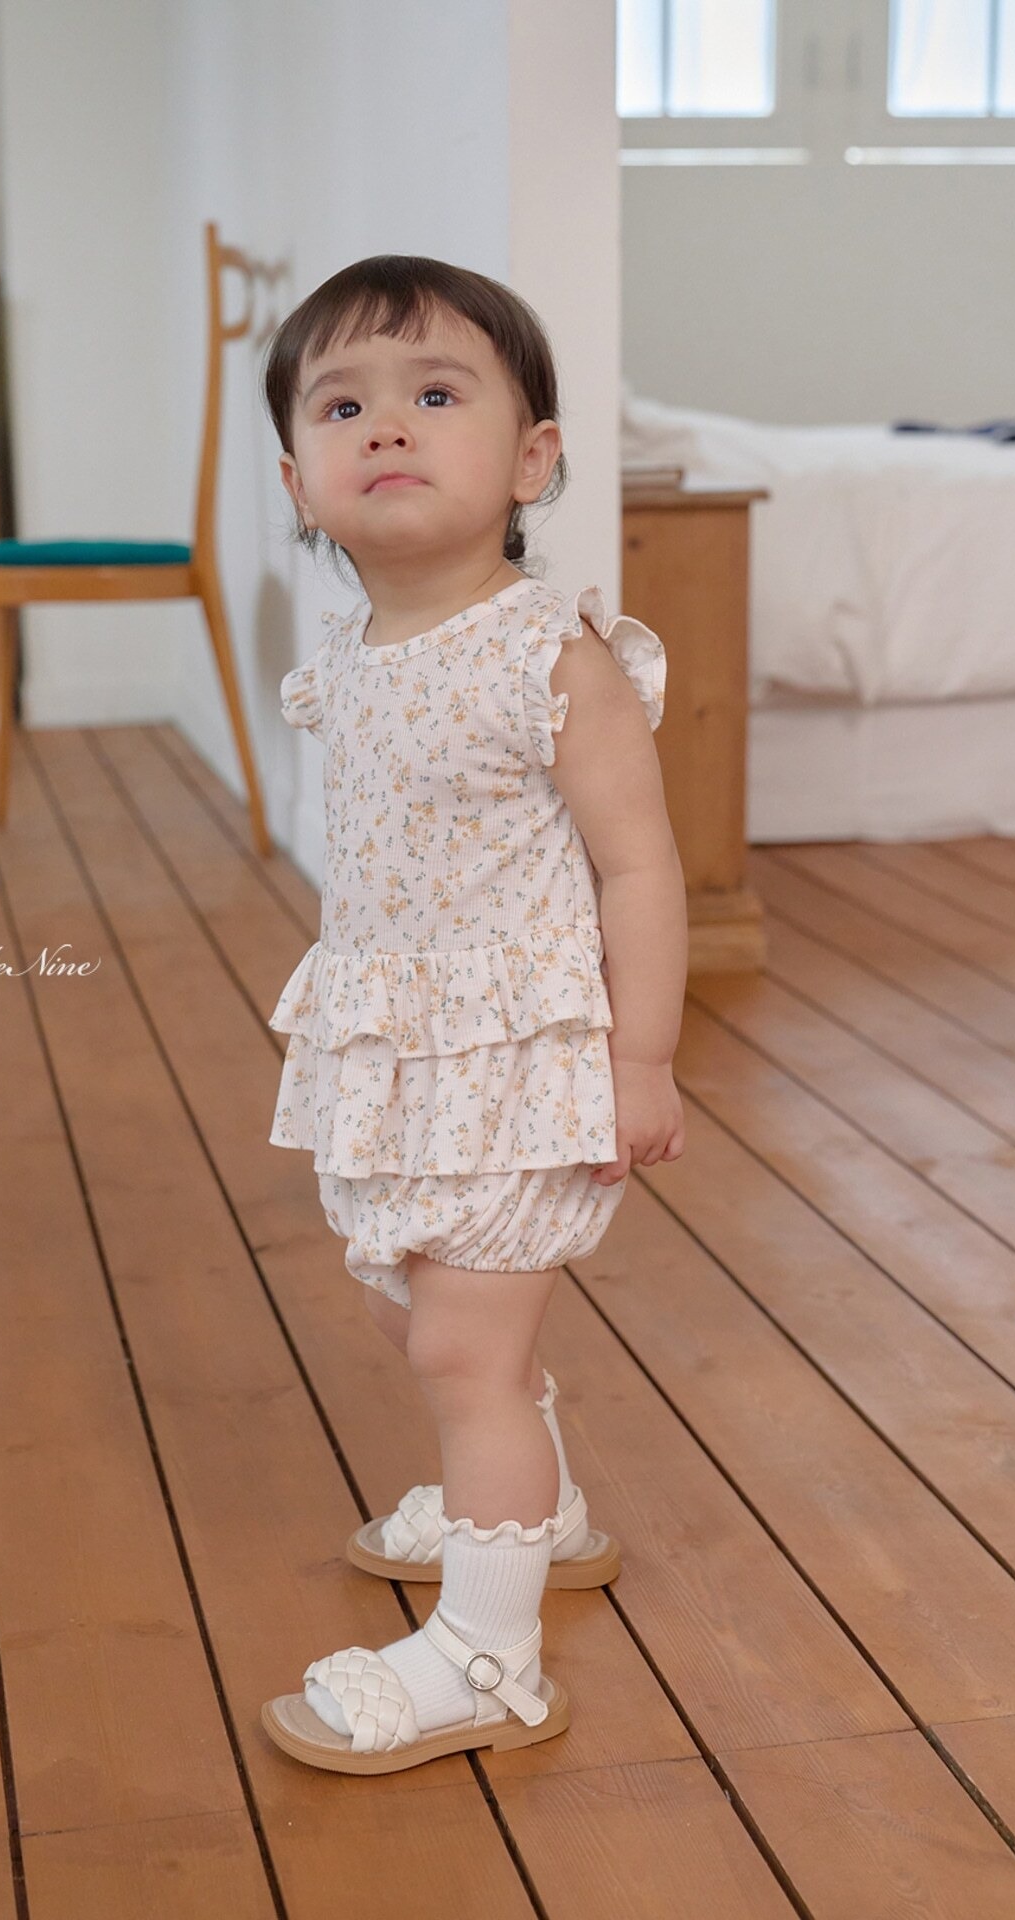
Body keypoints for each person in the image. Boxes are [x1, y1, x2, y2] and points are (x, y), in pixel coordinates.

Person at [257, 254, 688, 1774]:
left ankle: (489, 1654)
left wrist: (643, 1058)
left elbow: (638, 866)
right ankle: (537, 1510)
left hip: (521, 1063)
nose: (387, 426)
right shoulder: (349, 661)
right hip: (401, 1053)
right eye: (343, 408)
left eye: (436, 395)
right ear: (300, 483)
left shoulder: (550, 655)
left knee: (464, 1358)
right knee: (403, 1295)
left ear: (531, 459)